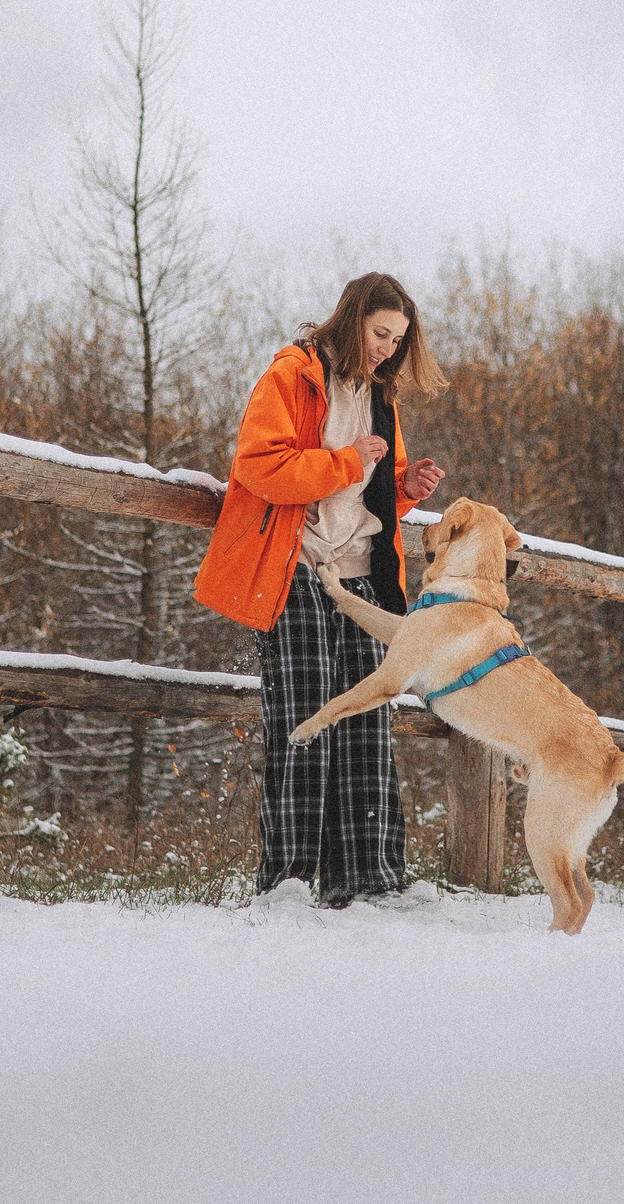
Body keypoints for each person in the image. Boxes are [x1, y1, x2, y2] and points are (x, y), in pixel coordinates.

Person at [193, 272, 448, 905]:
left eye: (398, 340)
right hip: (299, 567)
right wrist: (349, 461)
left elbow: (368, 486)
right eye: (381, 333)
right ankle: (291, 884)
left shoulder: (380, 395)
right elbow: (260, 465)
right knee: (303, 721)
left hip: (365, 573)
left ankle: (369, 878)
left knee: (366, 722)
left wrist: (403, 486)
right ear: (353, 319)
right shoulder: (293, 374)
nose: (388, 348)